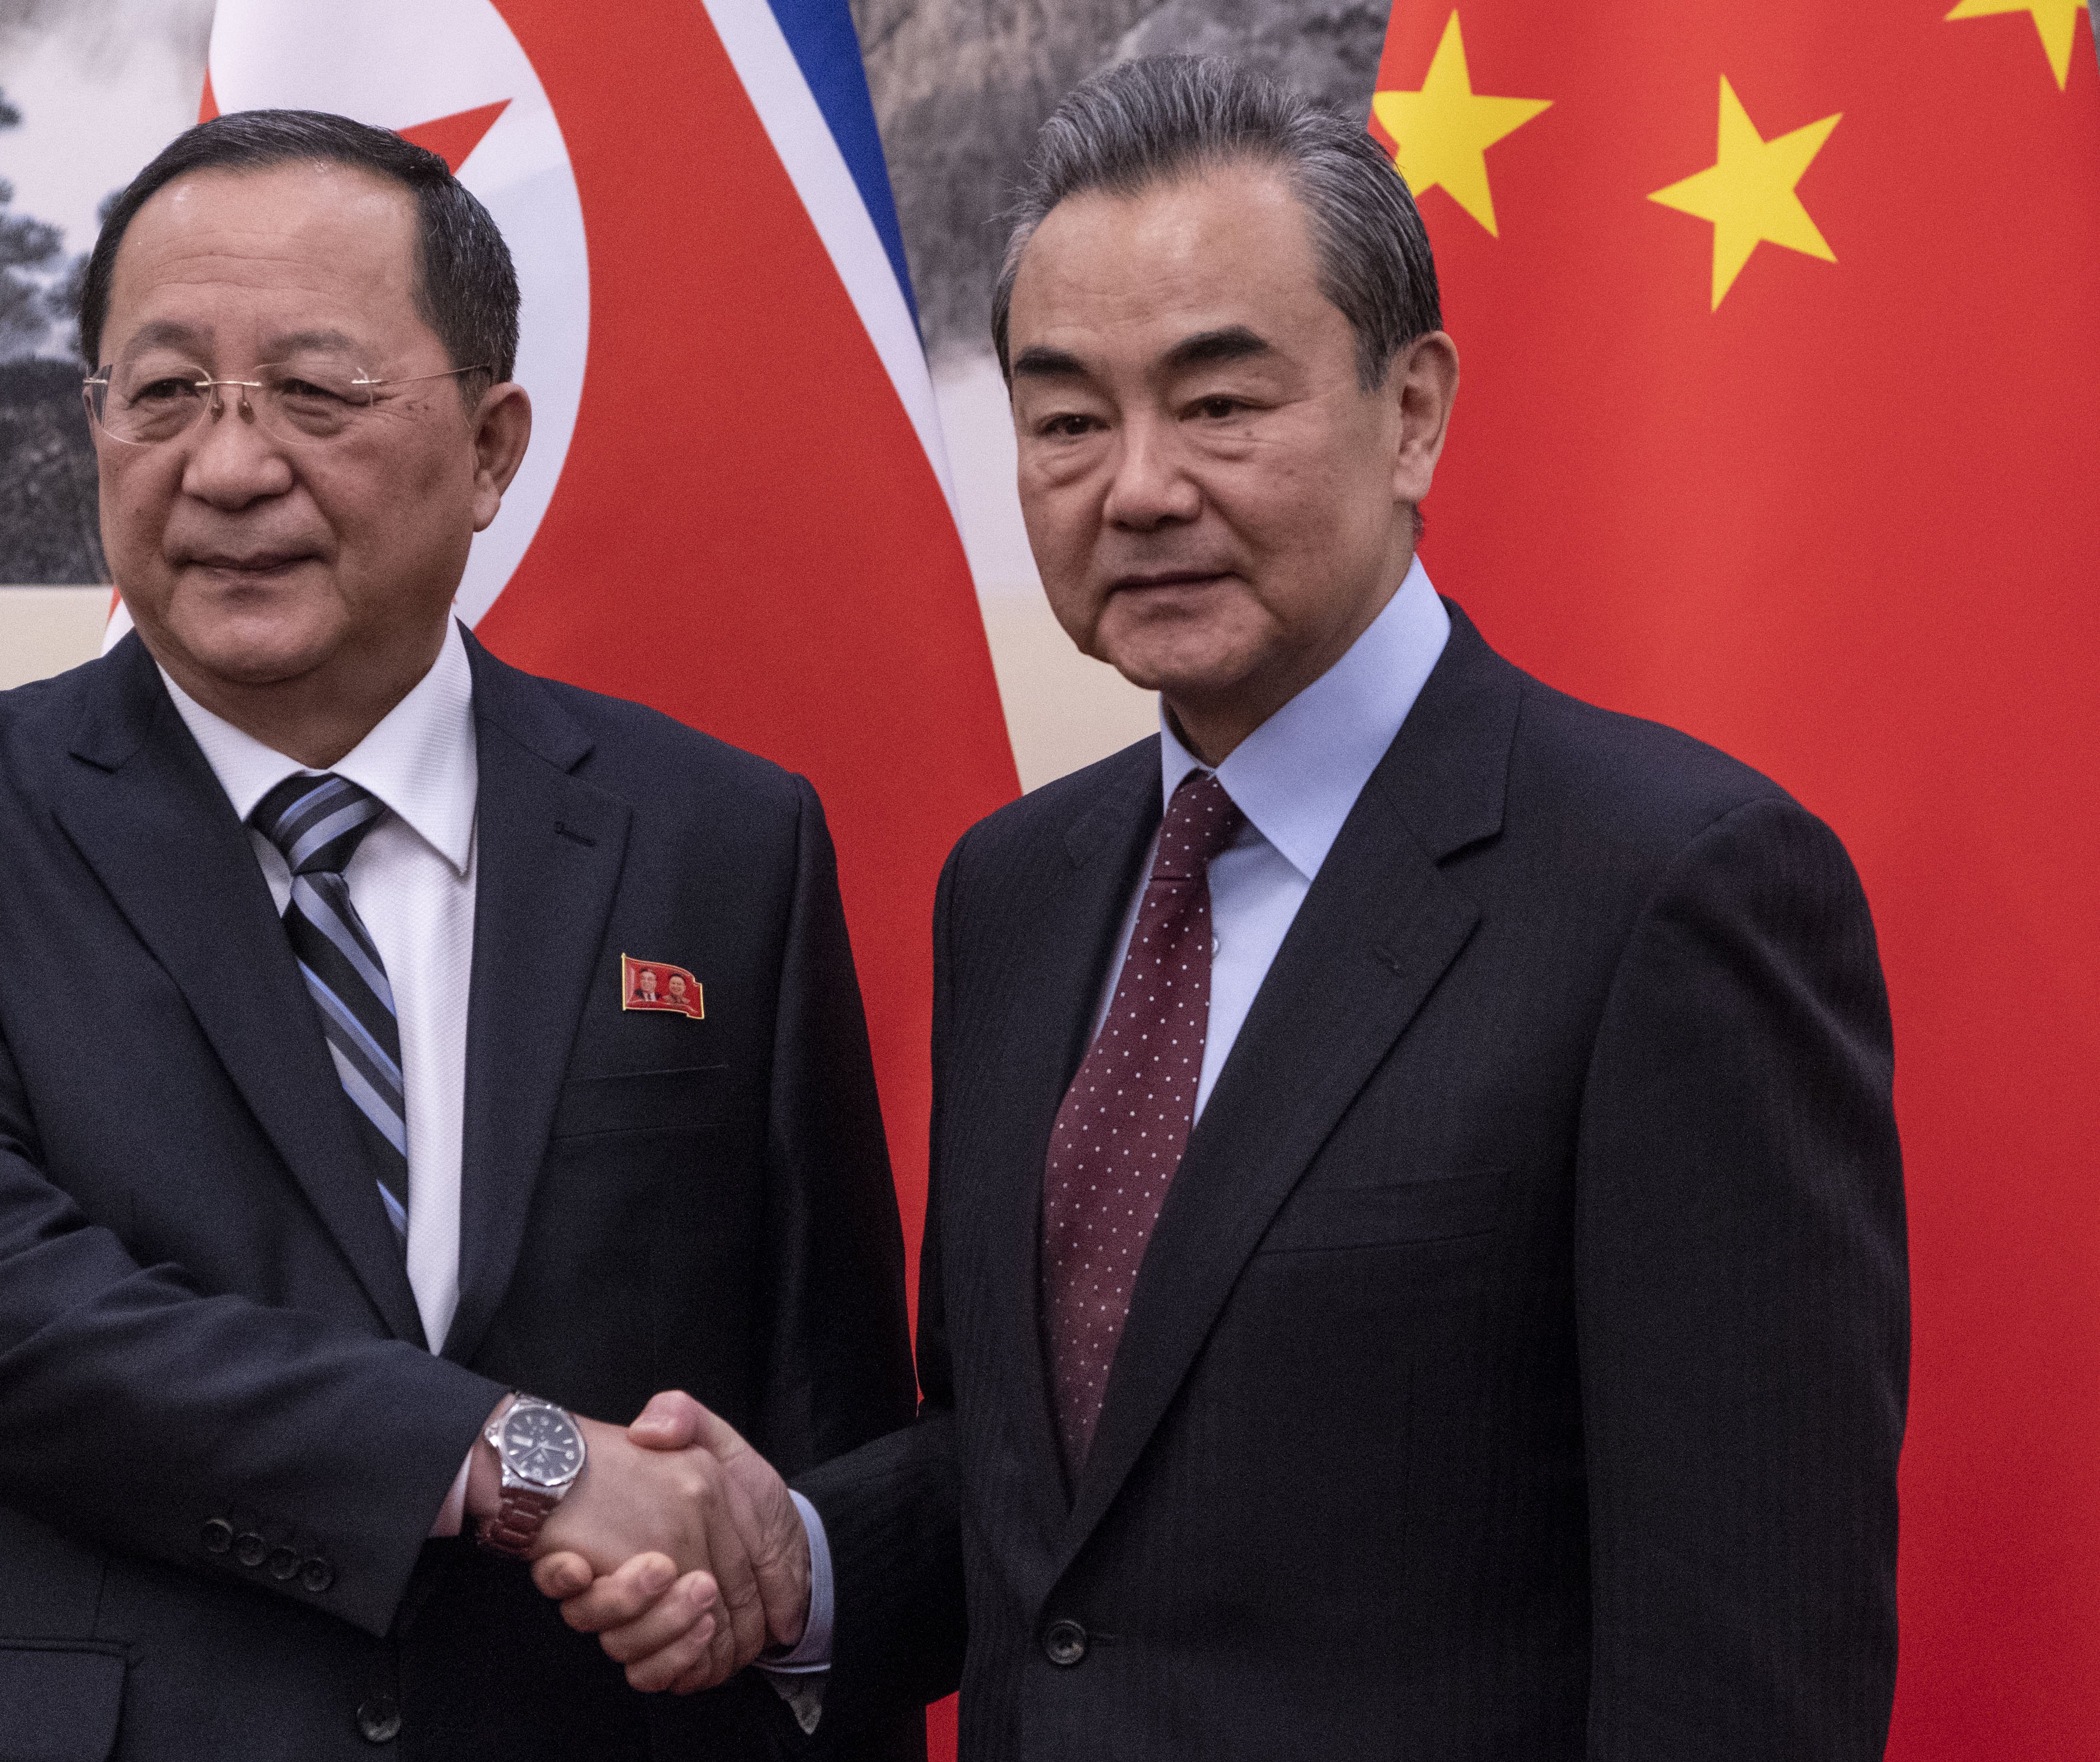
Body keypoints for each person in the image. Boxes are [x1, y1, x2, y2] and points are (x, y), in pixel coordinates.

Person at [552, 58, 1909, 1759]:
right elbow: (1050, 1488)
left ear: (1411, 411)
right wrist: (797, 1559)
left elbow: (1746, 1653)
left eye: (1217, 405)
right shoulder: (1018, 890)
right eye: (1063, 420)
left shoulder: (1673, 888)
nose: (1134, 488)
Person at [0, 110, 918, 1760]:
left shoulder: (720, 840)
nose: (228, 466)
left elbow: (820, 1417)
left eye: (315, 393)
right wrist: (520, 1458)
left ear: (493, 445)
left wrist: (760, 1577)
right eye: (161, 394)